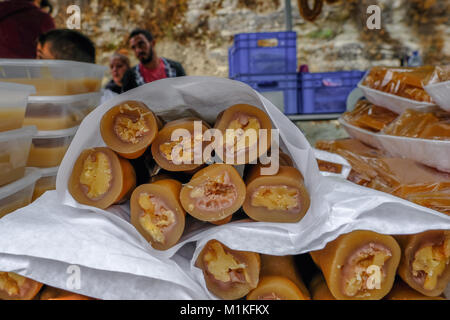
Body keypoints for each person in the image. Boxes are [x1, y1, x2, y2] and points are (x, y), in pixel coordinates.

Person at [121, 28, 186, 92]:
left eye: (141, 44)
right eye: (133, 47)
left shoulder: (175, 68)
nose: (138, 50)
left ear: (153, 43)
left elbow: (186, 96)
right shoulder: (130, 76)